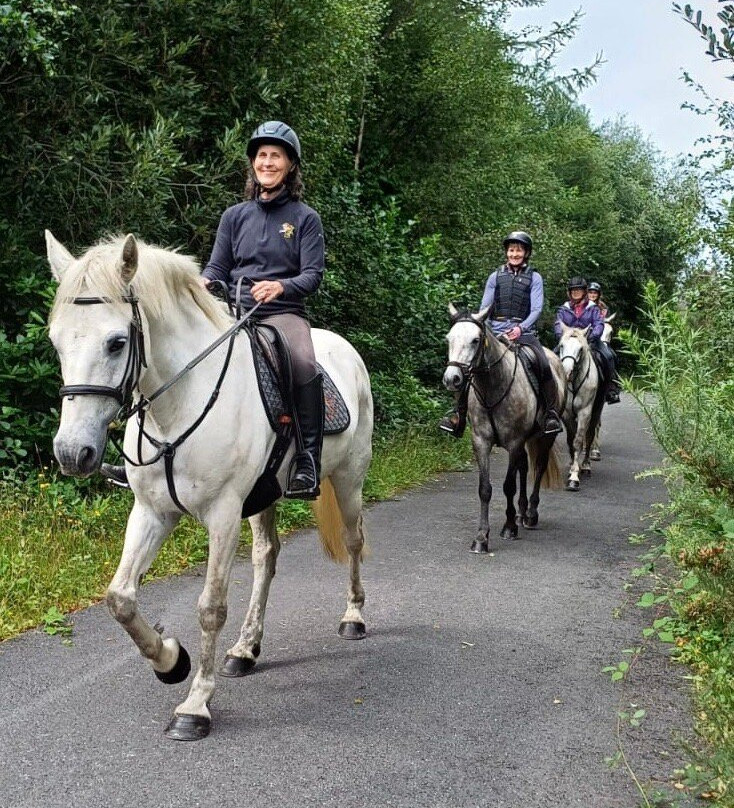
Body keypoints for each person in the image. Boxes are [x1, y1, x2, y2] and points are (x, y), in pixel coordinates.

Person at [102, 120, 327, 499]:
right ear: (253, 164)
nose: (267, 163)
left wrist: (282, 285)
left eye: (276, 156)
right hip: (231, 309)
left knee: (303, 364)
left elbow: (313, 275)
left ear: (290, 165)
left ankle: (307, 459)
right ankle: (139, 463)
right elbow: (217, 267)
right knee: (164, 354)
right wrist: (203, 282)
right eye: (261, 156)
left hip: (282, 312)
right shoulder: (234, 216)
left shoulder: (305, 219)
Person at [439, 230, 563, 438]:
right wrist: (485, 328)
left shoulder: (535, 277)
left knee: (542, 363)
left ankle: (549, 413)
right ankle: (458, 416)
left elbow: (536, 309)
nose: (515, 254)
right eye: (511, 250)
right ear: (507, 252)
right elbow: (485, 308)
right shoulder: (495, 276)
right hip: (494, 331)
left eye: (519, 250)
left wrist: (520, 328)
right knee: (467, 366)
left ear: (526, 253)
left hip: (523, 332)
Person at [554, 277, 620, 404]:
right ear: (569, 292)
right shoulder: (564, 308)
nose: (576, 293)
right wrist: (561, 336)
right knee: (550, 359)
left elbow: (599, 324)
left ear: (584, 292)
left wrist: (591, 337)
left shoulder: (593, 308)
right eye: (573, 291)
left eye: (578, 290)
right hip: (568, 342)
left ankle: (611, 389)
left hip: (589, 341)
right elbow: (558, 324)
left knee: (608, 356)